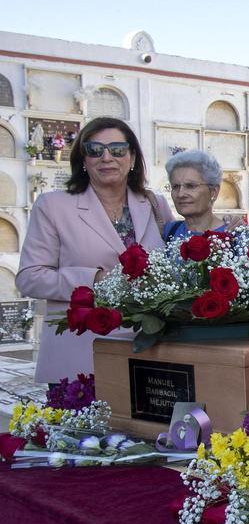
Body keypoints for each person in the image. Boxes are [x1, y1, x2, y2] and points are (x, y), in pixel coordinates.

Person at [17, 117, 173, 384]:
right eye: (94, 150)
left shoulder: (154, 204)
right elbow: (29, 277)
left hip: (147, 355)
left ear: (132, 157)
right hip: (80, 356)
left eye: (117, 149)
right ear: (83, 160)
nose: (106, 157)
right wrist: (93, 280)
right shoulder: (53, 206)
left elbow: (172, 264)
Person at [162, 150, 229, 238]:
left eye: (190, 186)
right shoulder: (169, 231)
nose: (180, 194)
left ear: (213, 191)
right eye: (175, 186)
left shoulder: (234, 236)